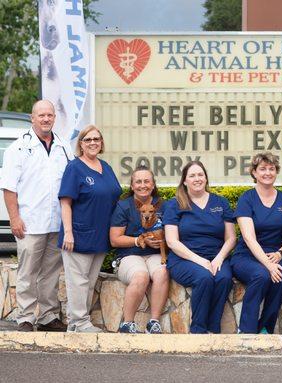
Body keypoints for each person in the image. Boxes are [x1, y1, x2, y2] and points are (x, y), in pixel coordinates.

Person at [0, 100, 72, 332]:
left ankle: (48, 316)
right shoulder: (18, 148)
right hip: (30, 222)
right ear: (32, 118)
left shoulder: (64, 147)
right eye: (41, 115)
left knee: (50, 273)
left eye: (49, 115)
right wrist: (14, 218)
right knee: (27, 272)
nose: (46, 119)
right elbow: (9, 187)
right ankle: (26, 317)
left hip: (56, 222)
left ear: (54, 118)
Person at [58, 125, 122, 333]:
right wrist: (68, 232)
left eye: (97, 139)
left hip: (100, 236)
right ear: (81, 144)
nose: (93, 143)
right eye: (88, 140)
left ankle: (79, 324)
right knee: (77, 281)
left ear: (101, 143)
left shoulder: (106, 167)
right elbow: (65, 202)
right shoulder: (74, 168)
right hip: (78, 235)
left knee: (89, 281)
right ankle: (78, 322)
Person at [163, 161, 236, 334]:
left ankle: (213, 328)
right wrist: (200, 261)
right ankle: (198, 330)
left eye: (200, 175)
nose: (197, 179)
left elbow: (231, 237)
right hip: (184, 259)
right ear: (185, 181)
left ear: (206, 178)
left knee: (224, 278)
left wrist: (219, 258)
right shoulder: (175, 204)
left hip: (217, 256)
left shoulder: (221, 202)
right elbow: (172, 241)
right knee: (204, 277)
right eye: (192, 175)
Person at [231, 153, 282, 334]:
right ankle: (247, 331)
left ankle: (265, 328)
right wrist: (268, 266)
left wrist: (281, 253)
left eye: (271, 169)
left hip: (276, 253)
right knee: (261, 275)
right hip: (247, 255)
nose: (267, 173)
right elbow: (249, 238)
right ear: (255, 173)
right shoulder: (246, 198)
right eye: (263, 169)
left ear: (276, 172)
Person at [109, 166, 169, 334]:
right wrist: (138, 241)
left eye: (147, 181)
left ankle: (154, 322)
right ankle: (127, 323)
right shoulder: (123, 206)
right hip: (129, 254)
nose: (143, 185)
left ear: (153, 184)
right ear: (132, 185)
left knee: (162, 273)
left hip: (155, 254)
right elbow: (115, 239)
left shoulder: (161, 204)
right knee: (141, 275)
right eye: (138, 181)